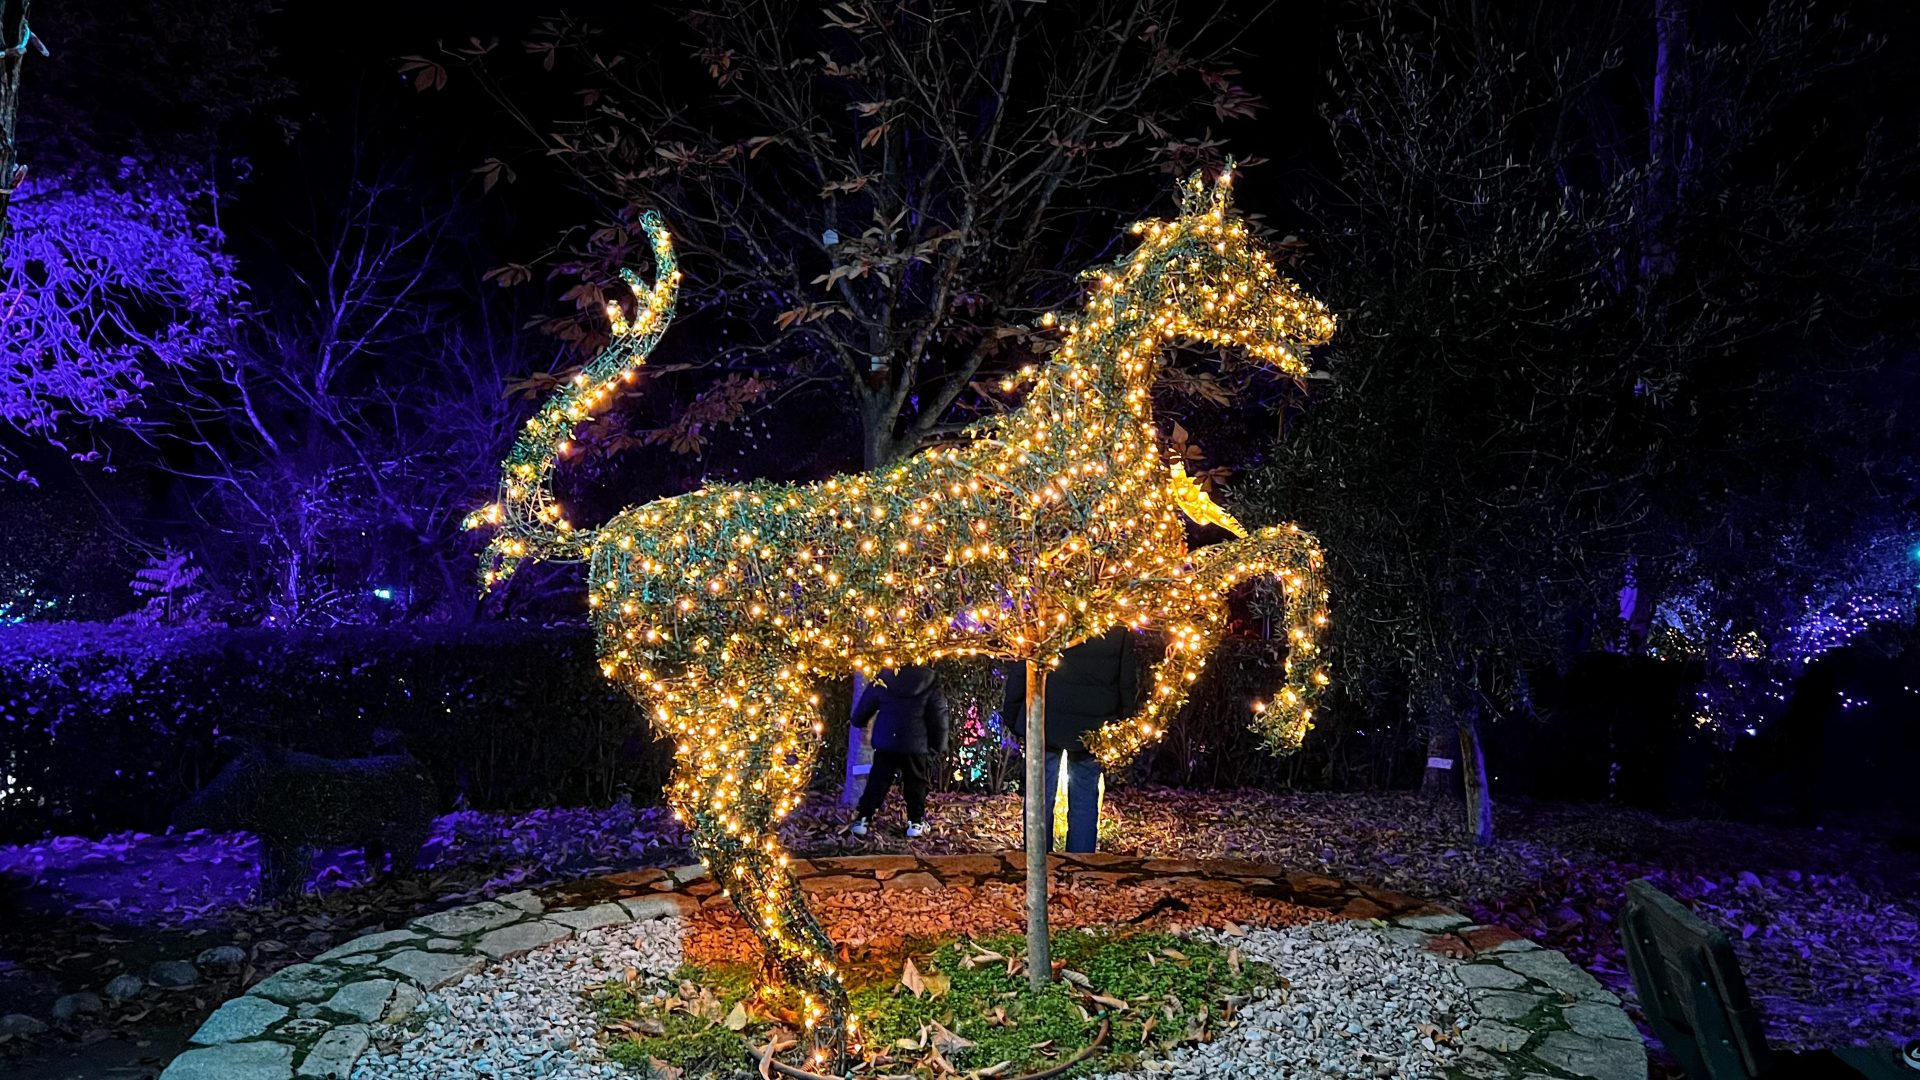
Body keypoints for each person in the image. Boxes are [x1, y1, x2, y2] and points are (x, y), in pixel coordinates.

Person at [1002, 625, 1139, 853]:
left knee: (1039, 796)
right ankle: (1080, 866)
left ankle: (1037, 863)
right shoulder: (1116, 623)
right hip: (1094, 724)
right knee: (1085, 798)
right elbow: (1126, 679)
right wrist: (1123, 720)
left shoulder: (1045, 616)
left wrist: (1013, 712)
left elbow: (1022, 668)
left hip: (1045, 718)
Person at [849, 664, 949, 838]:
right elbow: (939, 715)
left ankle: (863, 819)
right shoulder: (930, 679)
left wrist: (859, 719)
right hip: (916, 742)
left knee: (878, 780)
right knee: (916, 782)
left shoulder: (886, 675)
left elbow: (867, 702)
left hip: (887, 738)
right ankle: (915, 822)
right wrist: (938, 745)